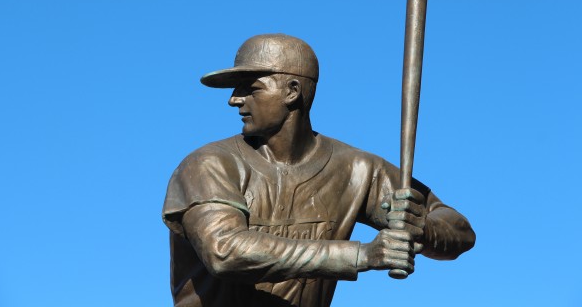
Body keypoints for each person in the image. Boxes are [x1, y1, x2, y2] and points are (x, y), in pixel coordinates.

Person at [162, 34, 475, 307]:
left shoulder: (357, 168)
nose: (234, 99)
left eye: (250, 88)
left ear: (292, 91)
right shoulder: (209, 165)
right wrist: (361, 256)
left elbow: (458, 229)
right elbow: (225, 252)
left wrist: (421, 229)